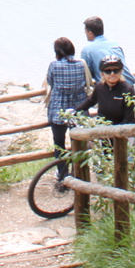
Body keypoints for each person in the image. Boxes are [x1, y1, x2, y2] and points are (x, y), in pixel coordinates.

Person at [44, 36, 88, 182]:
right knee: (79, 141)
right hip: (78, 108)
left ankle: (62, 175)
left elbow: (50, 81)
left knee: (59, 144)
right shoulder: (81, 64)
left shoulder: (54, 66)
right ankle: (80, 173)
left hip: (58, 109)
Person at [79, 16, 135, 87]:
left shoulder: (87, 50)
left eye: (85, 31)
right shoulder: (115, 44)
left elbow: (86, 75)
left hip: (111, 88)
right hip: (129, 84)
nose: (84, 33)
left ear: (90, 33)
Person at [82, 55, 135, 124]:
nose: (112, 74)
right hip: (103, 128)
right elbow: (90, 102)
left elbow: (129, 119)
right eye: (108, 71)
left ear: (120, 72)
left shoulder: (127, 90)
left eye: (115, 70)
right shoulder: (99, 87)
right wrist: (74, 112)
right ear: (102, 74)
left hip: (123, 129)